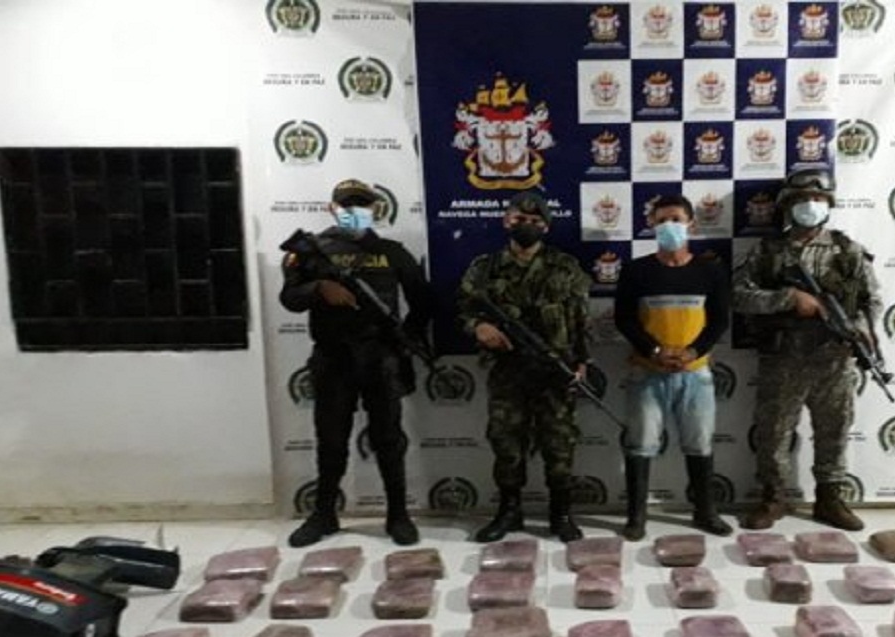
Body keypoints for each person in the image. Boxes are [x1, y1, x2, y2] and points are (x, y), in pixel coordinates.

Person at [280, 178, 435, 548]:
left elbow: (423, 301)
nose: (354, 211)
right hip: (333, 357)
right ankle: (324, 514)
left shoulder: (392, 252)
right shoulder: (312, 252)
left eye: (362, 205)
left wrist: (405, 338)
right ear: (333, 208)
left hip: (380, 356)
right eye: (347, 204)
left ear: (374, 209)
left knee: (388, 440)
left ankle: (397, 515)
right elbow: (289, 297)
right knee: (331, 440)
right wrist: (319, 288)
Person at [732, 167, 883, 531]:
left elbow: (872, 301)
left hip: (834, 359)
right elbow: (738, 295)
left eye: (817, 199)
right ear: (788, 205)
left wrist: (861, 330)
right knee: (773, 432)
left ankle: (830, 499)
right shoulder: (768, 251)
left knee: (834, 430)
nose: (810, 205)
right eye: (802, 199)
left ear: (828, 204)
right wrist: (788, 299)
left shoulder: (847, 251)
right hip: (783, 358)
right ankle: (774, 497)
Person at [455, 191, 591, 543]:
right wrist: (479, 327)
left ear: (545, 226)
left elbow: (581, 319)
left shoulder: (566, 266)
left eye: (534, 220)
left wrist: (581, 362)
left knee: (559, 444)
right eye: (519, 218)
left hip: (554, 370)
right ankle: (509, 512)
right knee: (507, 444)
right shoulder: (485, 267)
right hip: (508, 370)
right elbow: (463, 309)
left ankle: (561, 513)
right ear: (506, 220)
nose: (526, 225)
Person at [614, 194, 732, 540]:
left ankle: (705, 512)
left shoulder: (710, 270)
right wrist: (654, 351)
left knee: (699, 443)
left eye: (677, 219)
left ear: (691, 225)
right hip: (646, 371)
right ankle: (636, 518)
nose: (669, 226)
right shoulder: (636, 270)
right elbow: (624, 319)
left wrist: (693, 351)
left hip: (696, 372)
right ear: (651, 224)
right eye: (662, 219)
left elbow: (719, 321)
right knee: (640, 443)